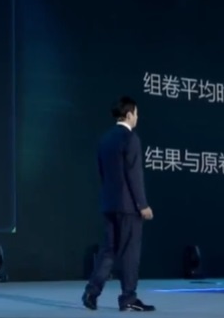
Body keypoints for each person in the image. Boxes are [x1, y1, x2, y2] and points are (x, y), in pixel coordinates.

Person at [82, 96, 155, 312]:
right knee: (130, 253)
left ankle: (91, 292)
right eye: (137, 114)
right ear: (129, 114)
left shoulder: (105, 139)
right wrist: (142, 204)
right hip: (129, 207)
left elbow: (102, 173)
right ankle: (128, 298)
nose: (137, 118)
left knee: (108, 250)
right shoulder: (131, 138)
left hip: (109, 203)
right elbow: (134, 175)